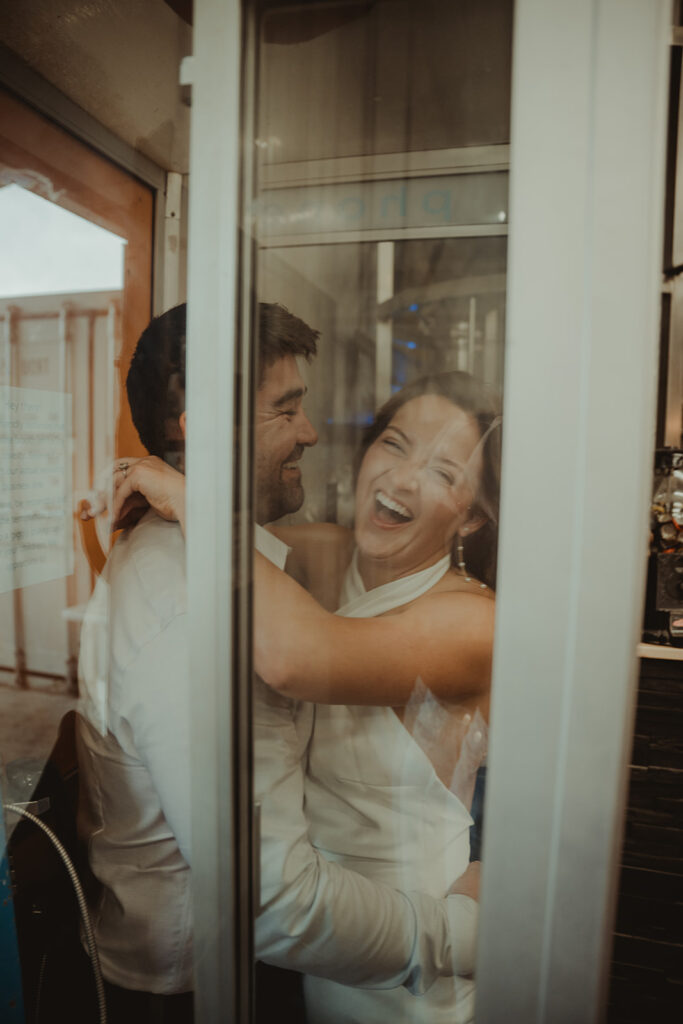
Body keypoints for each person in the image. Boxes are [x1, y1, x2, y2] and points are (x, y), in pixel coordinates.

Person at [77, 303, 481, 1024]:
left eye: (445, 469)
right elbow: (273, 902)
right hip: (213, 980)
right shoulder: (200, 600)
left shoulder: (279, 573)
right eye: (286, 409)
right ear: (204, 430)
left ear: (474, 511)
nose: (312, 432)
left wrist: (188, 496)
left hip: (363, 957)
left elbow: (304, 648)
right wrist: (457, 933)